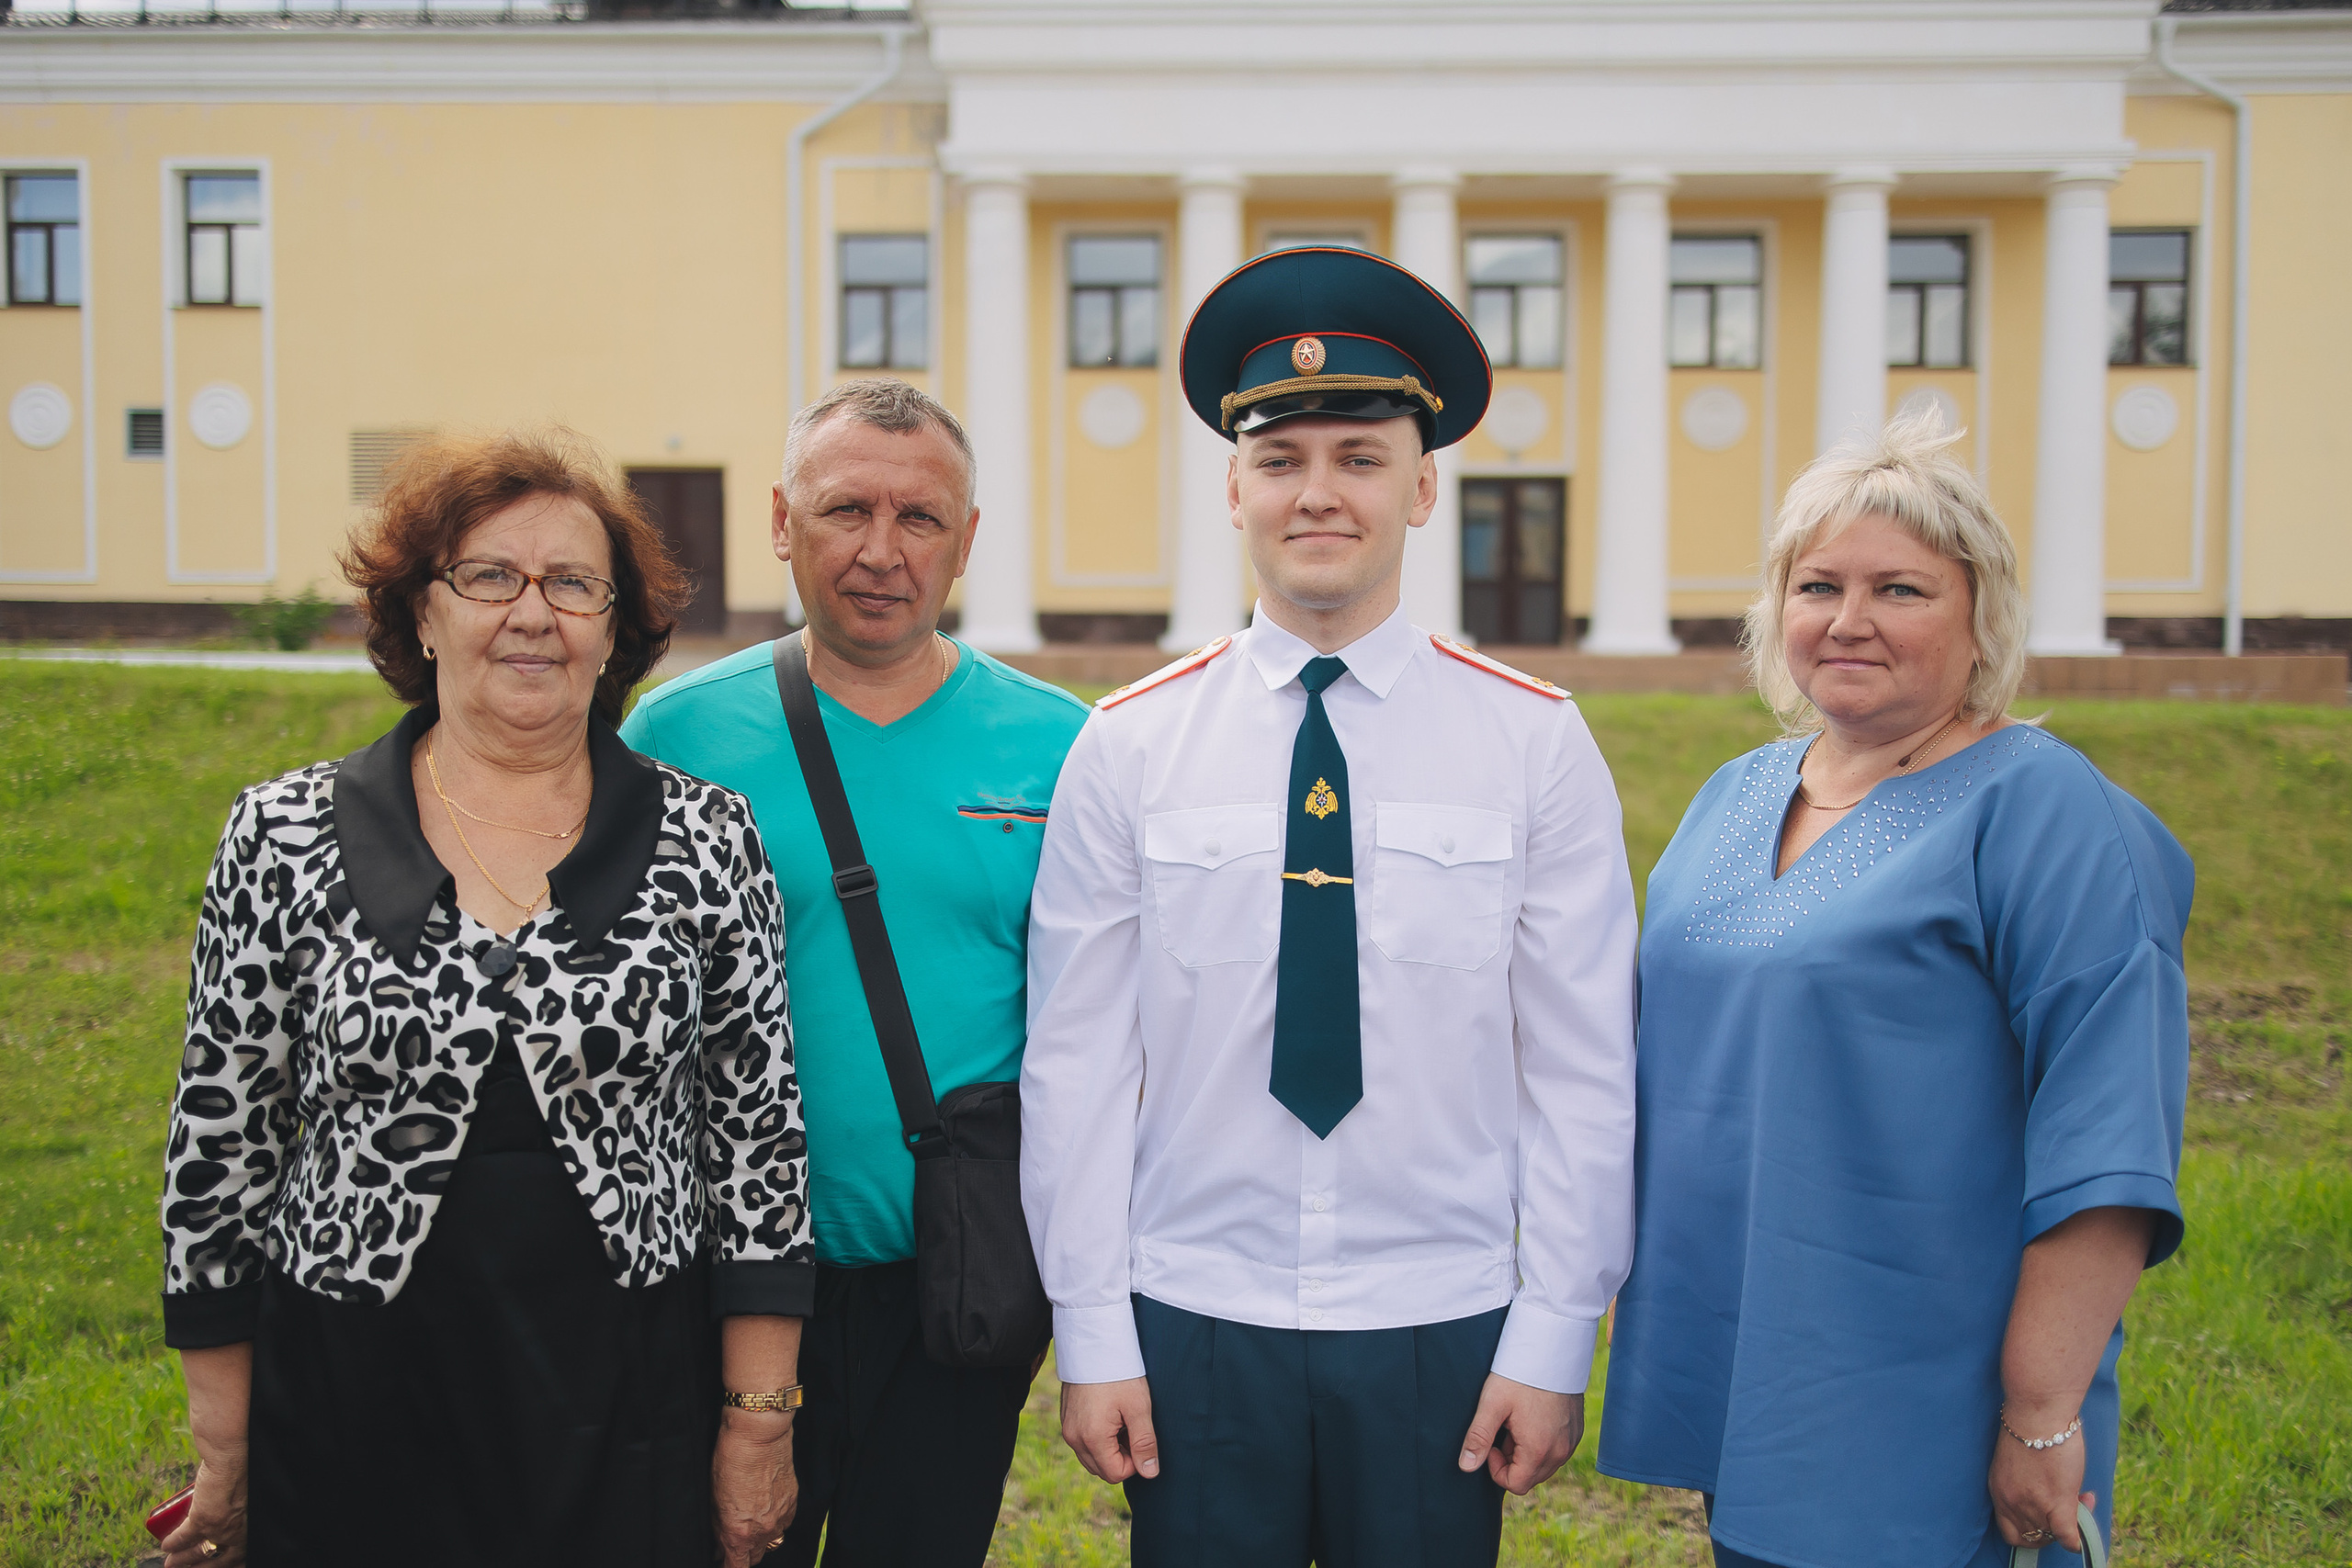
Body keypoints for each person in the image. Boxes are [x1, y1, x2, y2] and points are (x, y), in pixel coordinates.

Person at [1020, 246, 1639, 1568]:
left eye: (1360, 457)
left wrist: (1552, 1327)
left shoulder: (1533, 744)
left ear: (1422, 488)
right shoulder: (1129, 745)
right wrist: (1094, 1323)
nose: (1320, 491)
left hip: (1443, 1317)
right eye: (1285, 456)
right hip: (1195, 1308)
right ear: (1234, 485)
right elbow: (1076, 1061)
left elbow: (1585, 1066)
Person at [157, 429, 812, 1568]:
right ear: (421, 610)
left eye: (573, 583)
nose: (532, 612)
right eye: (489, 576)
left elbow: (757, 1151)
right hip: (354, 1392)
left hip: (626, 1398)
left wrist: (756, 1424)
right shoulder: (284, 832)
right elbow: (223, 1148)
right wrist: (225, 1434)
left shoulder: (709, 838)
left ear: (612, 629)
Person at [1596, 409, 2192, 1568]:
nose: (1849, 621)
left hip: (1932, 1402)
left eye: (1902, 590)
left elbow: (2108, 1142)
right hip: (1751, 1373)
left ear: (1982, 616)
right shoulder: (1734, 793)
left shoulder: (2047, 814)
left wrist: (2040, 1412)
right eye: (1817, 585)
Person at [620, 378, 1091, 1566]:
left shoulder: (1067, 747)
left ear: (968, 539)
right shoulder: (671, 740)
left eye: (920, 517)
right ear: (782, 522)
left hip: (957, 1282)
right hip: (722, 1283)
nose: (881, 551)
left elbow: (1106, 1031)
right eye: (845, 511)